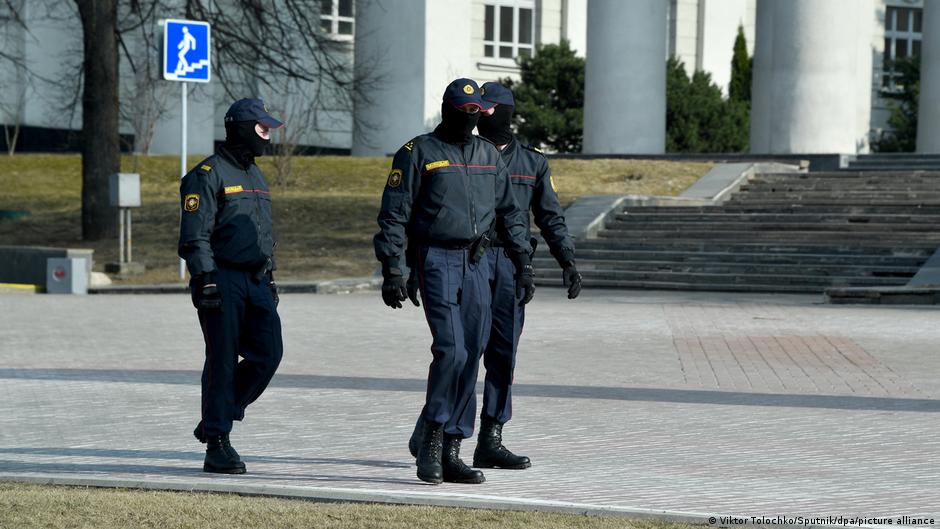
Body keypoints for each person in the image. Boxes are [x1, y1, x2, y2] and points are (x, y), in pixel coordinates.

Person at [374, 78, 535, 485]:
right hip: (436, 260)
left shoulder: (486, 154)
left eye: (475, 113)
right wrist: (393, 269)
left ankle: (452, 448)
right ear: (447, 110)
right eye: (462, 112)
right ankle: (431, 435)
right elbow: (394, 214)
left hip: (478, 261)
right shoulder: (418, 152)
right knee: (451, 350)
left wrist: (523, 263)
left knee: (473, 352)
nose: (469, 120)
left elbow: (510, 213)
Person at [473, 82, 582, 469]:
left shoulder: (533, 163)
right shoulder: (465, 153)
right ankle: (438, 430)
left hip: (512, 265)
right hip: (471, 259)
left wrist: (567, 260)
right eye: (478, 109)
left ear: (505, 111)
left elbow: (550, 216)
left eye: (489, 108)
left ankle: (491, 437)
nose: (482, 114)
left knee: (503, 354)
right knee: (463, 350)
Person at [178, 98, 284, 474]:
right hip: (221, 278)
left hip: (255, 279)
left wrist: (269, 276)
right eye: (262, 128)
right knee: (222, 360)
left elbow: (263, 232)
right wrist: (205, 278)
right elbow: (195, 234)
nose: (267, 136)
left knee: (268, 354)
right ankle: (217, 443)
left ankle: (214, 419)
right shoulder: (207, 175)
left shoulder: (256, 175)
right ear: (241, 128)